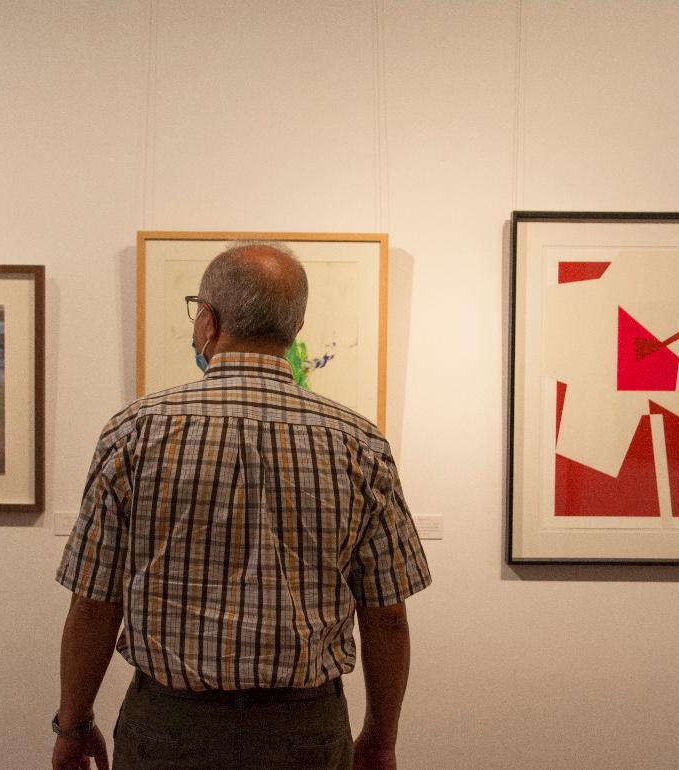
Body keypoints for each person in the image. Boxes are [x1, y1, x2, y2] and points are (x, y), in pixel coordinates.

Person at [52, 242, 431, 770]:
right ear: (295, 330)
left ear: (208, 321)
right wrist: (381, 738)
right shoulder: (358, 442)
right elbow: (387, 616)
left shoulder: (134, 431)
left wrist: (72, 725)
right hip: (305, 731)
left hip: (169, 726)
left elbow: (94, 602)